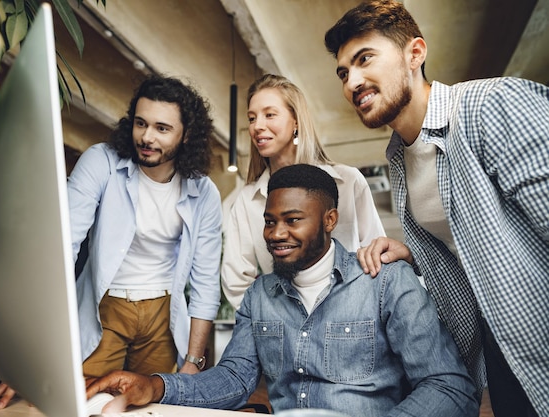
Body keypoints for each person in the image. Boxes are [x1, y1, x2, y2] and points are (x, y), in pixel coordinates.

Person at [85, 164, 479, 417]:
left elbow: (450, 386)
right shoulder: (260, 296)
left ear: (329, 221)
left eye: (292, 220)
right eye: (270, 221)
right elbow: (236, 380)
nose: (275, 234)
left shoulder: (386, 281)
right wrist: (155, 385)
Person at [324, 1, 549, 416]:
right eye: (343, 72)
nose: (352, 81)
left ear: (415, 54)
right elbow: (473, 246)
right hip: (501, 349)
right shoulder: (398, 156)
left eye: (364, 58)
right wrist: (416, 256)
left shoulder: (491, 105)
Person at [0, 74, 223, 408]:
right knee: (75, 403)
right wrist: (31, 350)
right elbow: (62, 247)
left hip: (162, 317)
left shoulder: (204, 192)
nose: (147, 137)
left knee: (152, 409)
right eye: (141, 123)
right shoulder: (102, 162)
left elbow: (205, 282)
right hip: (103, 308)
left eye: (162, 128)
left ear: (186, 136)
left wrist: (193, 362)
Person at [221, 74, 385, 310]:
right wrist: (275, 320)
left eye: (269, 114)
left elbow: (375, 254)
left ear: (296, 121)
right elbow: (237, 282)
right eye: (252, 118)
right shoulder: (248, 200)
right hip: (287, 332)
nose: (257, 126)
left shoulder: (348, 182)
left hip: (353, 319)